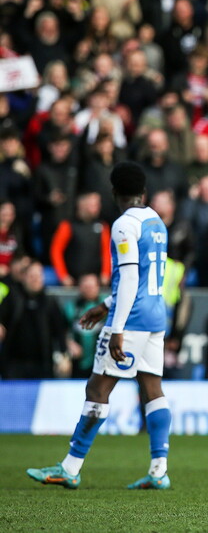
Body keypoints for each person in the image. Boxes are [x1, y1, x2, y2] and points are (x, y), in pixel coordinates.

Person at [27, 162, 172, 490]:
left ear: (113, 193)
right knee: (152, 389)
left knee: (97, 389)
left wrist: (116, 325)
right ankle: (159, 469)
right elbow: (147, 276)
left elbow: (132, 276)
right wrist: (105, 304)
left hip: (131, 319)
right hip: (155, 316)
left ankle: (70, 467)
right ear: (144, 192)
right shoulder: (157, 221)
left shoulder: (123, 225)